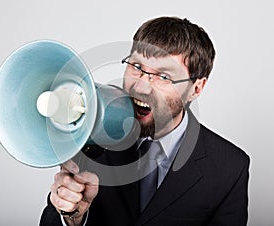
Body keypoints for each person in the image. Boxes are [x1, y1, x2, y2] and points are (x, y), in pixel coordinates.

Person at [40, 16, 250, 226]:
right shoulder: (87, 139)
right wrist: (71, 217)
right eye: (136, 66)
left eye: (164, 77)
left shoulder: (230, 167)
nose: (140, 87)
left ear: (196, 88)